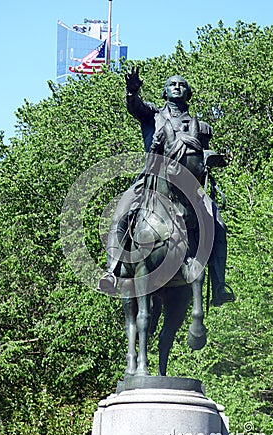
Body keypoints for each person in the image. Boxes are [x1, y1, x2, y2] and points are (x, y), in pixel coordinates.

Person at [98, 68, 234, 305]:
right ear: (164, 92)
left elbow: (200, 154)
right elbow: (135, 107)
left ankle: (220, 284)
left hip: (189, 186)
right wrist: (132, 91)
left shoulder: (200, 126)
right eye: (172, 84)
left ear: (188, 92)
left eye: (182, 84)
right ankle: (112, 270)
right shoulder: (153, 116)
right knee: (122, 211)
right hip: (152, 178)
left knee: (217, 222)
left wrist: (214, 158)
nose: (177, 86)